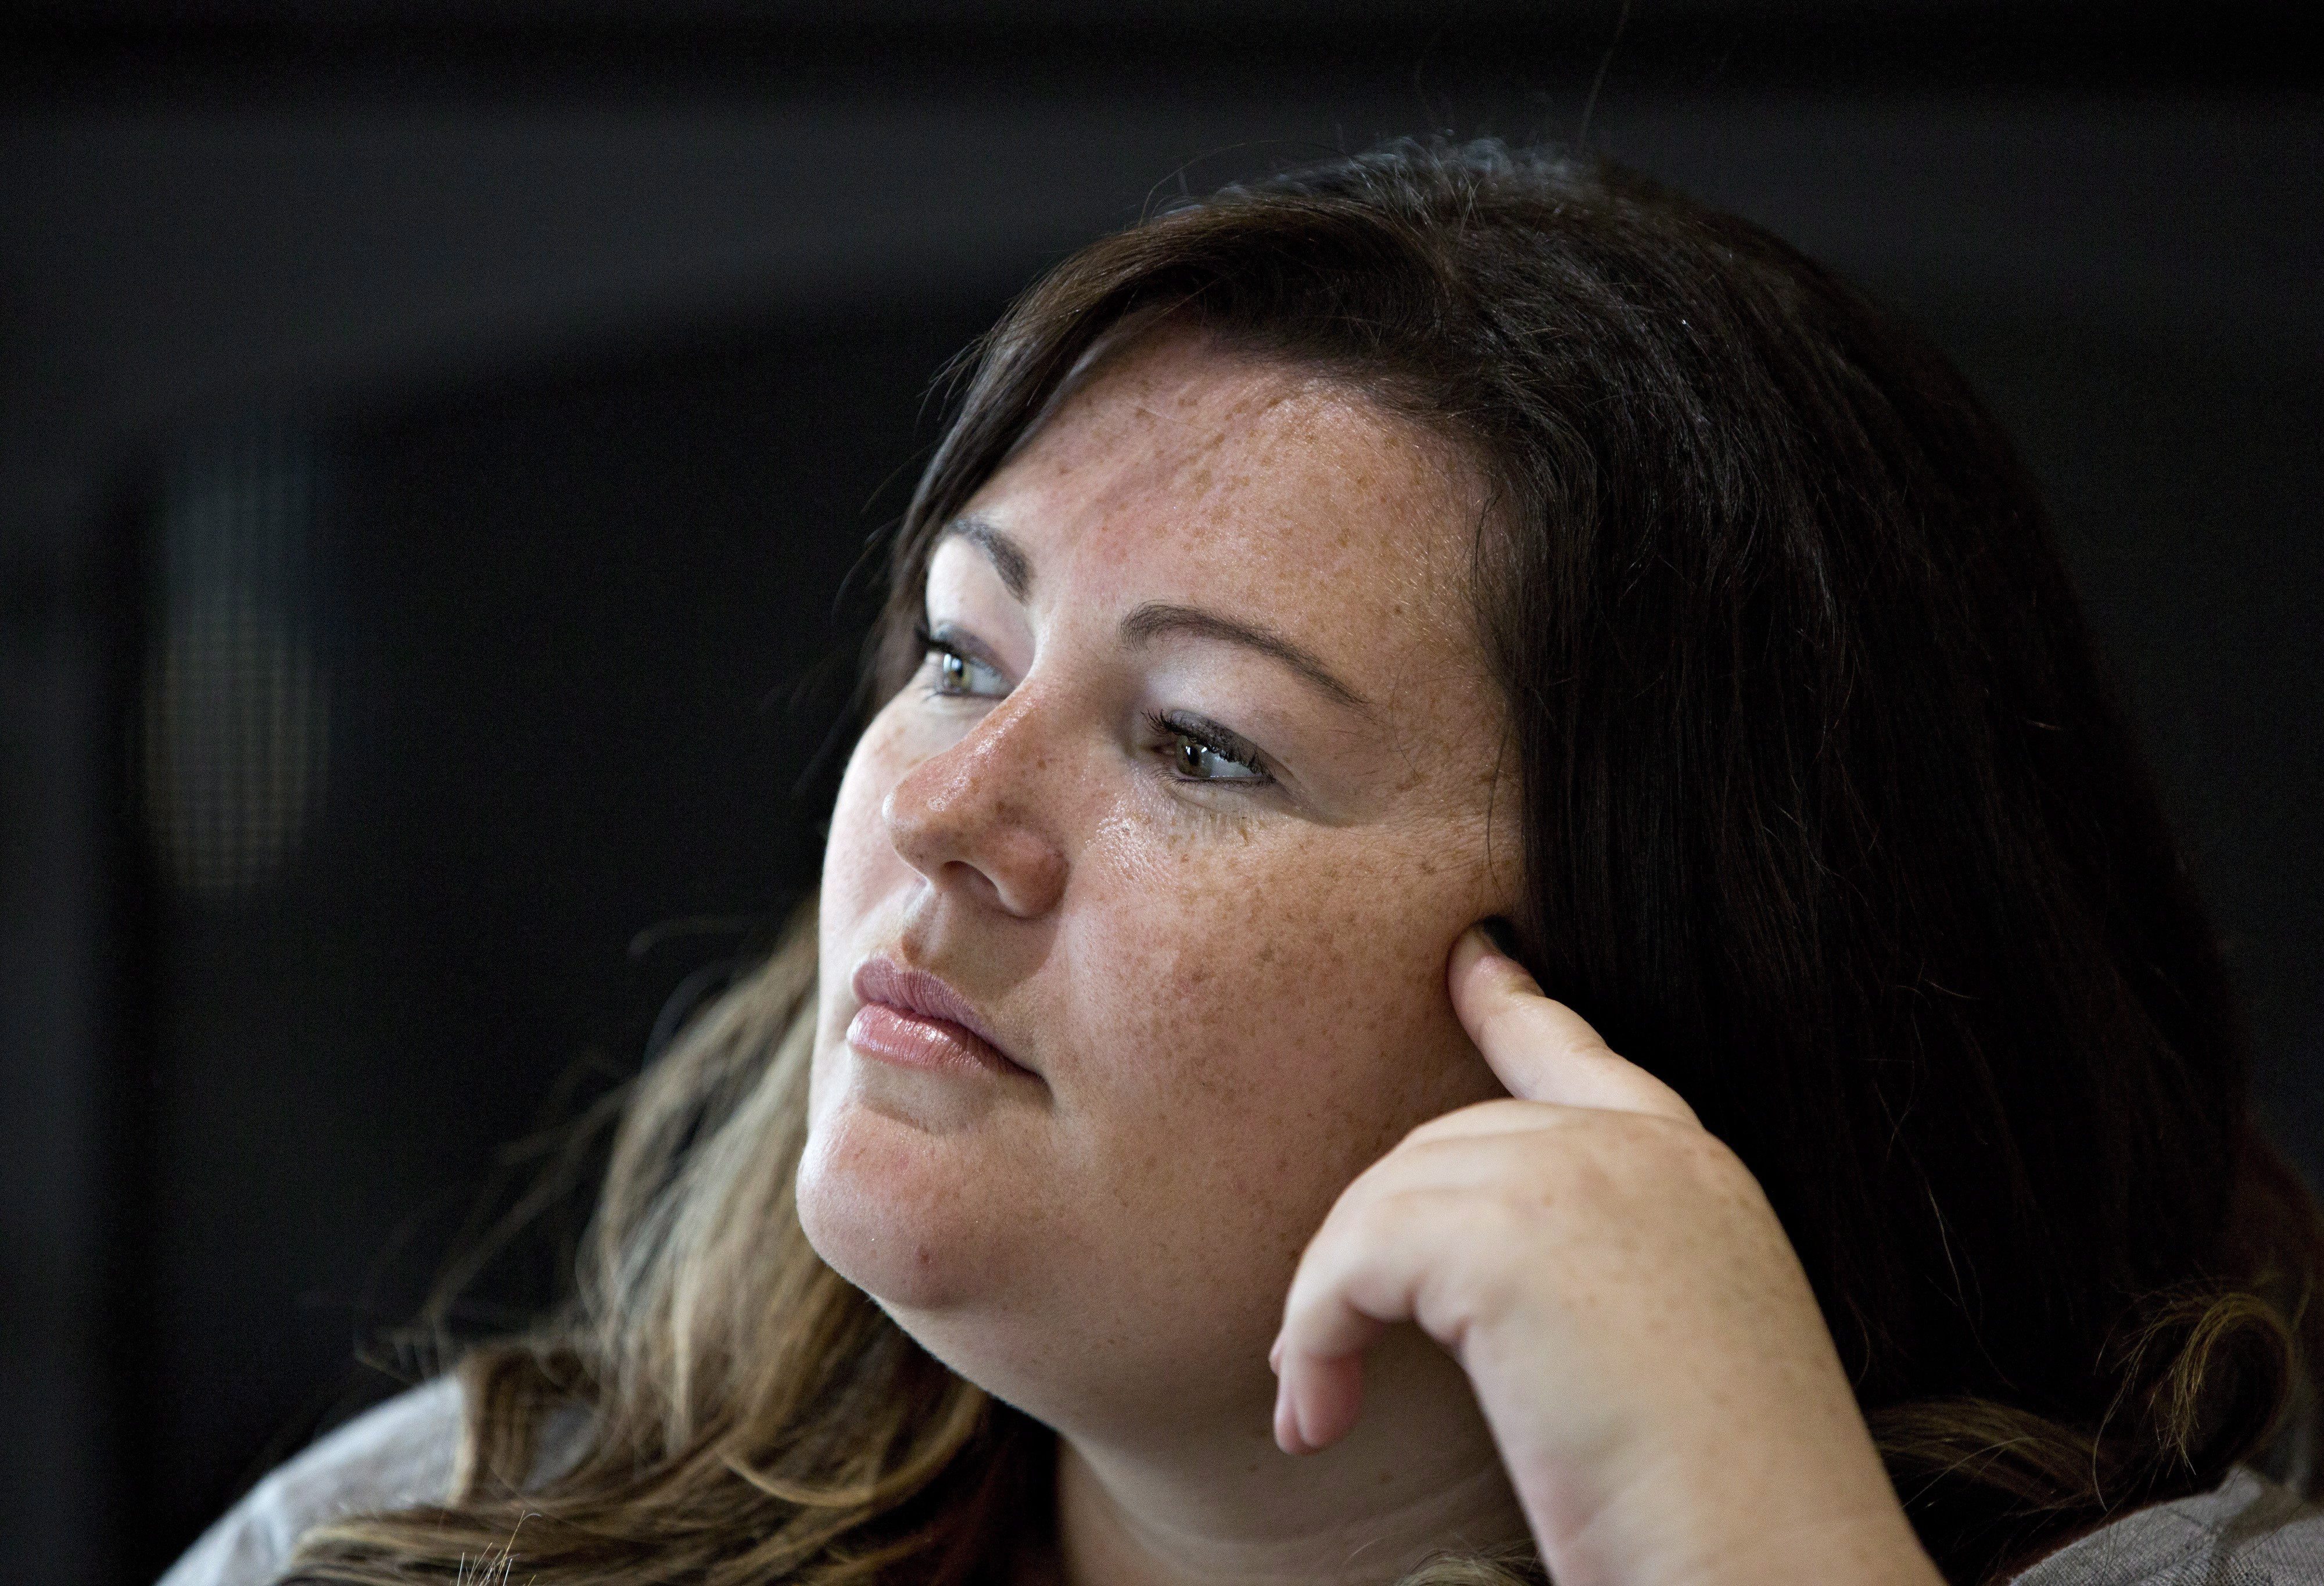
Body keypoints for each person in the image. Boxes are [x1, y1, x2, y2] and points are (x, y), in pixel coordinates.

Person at [162, 138, 2324, 1586]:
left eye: (1202, 743)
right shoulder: (450, 1538)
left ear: (1666, 987)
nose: (938, 808)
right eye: (959, 651)